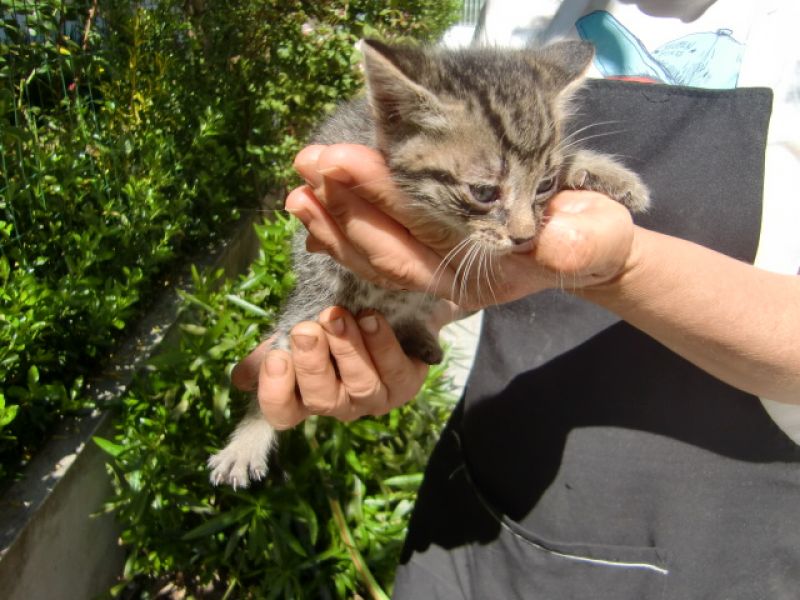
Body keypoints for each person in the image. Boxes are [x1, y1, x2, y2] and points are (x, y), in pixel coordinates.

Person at [233, 1, 800, 597]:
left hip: (720, 521)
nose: (526, 229)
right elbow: (457, 232)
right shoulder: (529, 9)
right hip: (491, 479)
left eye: (543, 190)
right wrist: (422, 302)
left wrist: (617, 267)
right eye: (489, 193)